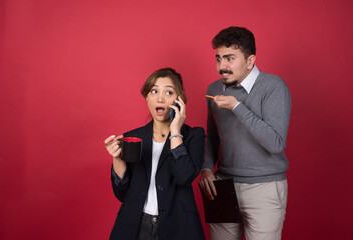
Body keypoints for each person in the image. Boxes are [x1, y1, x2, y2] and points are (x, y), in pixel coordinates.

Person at [199, 26, 291, 240]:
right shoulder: (213, 90)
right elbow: (212, 136)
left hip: (265, 187)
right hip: (222, 185)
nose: (222, 66)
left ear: (250, 61)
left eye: (230, 58)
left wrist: (238, 107)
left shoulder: (273, 87)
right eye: (219, 58)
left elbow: (275, 143)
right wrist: (205, 169)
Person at [104, 68, 206, 240]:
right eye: (154, 91)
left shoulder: (193, 136)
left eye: (169, 92)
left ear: (179, 100)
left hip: (178, 225)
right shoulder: (133, 138)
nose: (160, 98)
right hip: (135, 225)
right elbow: (123, 195)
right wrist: (118, 159)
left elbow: (183, 176)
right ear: (147, 97)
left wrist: (175, 130)